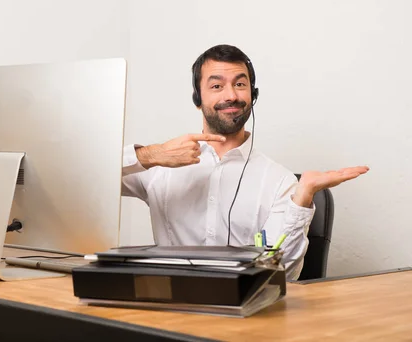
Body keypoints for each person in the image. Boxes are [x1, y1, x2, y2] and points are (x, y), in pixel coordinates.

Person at [121, 44, 369, 280]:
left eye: (240, 84)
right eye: (217, 86)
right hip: (171, 308)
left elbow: (282, 273)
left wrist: (304, 195)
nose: (231, 95)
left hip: (243, 314)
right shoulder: (161, 165)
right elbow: (87, 177)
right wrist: (150, 156)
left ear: (253, 95)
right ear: (198, 99)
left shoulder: (279, 181)